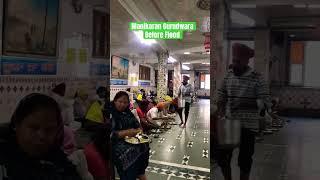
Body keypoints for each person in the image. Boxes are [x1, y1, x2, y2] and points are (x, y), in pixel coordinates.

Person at [213, 43, 272, 180]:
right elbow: (221, 93)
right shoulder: (229, 76)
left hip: (248, 126)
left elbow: (266, 103)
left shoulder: (257, 78)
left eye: (238, 62)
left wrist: (245, 103)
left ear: (247, 61)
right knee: (223, 158)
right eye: (233, 61)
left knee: (245, 160)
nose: (234, 64)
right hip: (229, 124)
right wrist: (220, 108)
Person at [0, 93, 81, 179]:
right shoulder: (3, 159)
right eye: (34, 128)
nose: (42, 136)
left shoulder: (57, 158)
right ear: (17, 125)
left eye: (49, 130)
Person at [110, 91, 149, 180]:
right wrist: (126, 132)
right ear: (115, 101)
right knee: (129, 152)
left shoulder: (128, 113)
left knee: (144, 145)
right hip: (116, 143)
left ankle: (140, 172)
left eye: (125, 102)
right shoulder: (111, 114)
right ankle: (128, 176)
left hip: (131, 139)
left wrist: (139, 130)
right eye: (120, 101)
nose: (122, 105)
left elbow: (138, 125)